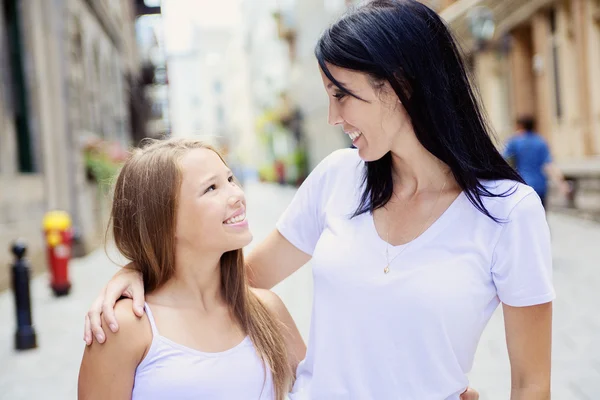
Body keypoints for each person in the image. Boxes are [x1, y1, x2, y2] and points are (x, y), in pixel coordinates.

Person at [84, 1, 553, 399]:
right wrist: (138, 271)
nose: (332, 115)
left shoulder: (509, 213)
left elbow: (532, 382)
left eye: (342, 95)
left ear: (401, 86)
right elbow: (238, 276)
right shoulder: (339, 178)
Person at [78, 138, 305, 400]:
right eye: (211, 188)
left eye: (230, 180)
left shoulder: (266, 310)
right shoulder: (124, 326)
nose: (237, 195)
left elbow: (324, 388)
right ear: (164, 220)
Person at [504, 115, 570, 208]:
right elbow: (549, 165)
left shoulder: (514, 141)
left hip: (523, 186)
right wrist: (562, 184)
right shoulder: (540, 141)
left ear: (520, 126)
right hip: (540, 186)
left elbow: (503, 159)